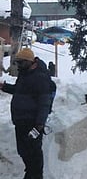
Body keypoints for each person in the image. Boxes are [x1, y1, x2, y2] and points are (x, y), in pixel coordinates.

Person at [0, 48, 52, 179]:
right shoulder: (24, 74)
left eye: (21, 62)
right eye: (17, 62)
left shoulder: (40, 77)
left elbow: (45, 103)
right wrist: (4, 87)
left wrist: (39, 125)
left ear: (30, 62)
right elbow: (19, 90)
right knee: (23, 151)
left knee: (33, 154)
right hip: (20, 122)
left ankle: (35, 176)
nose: (18, 66)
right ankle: (31, 173)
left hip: (32, 123)